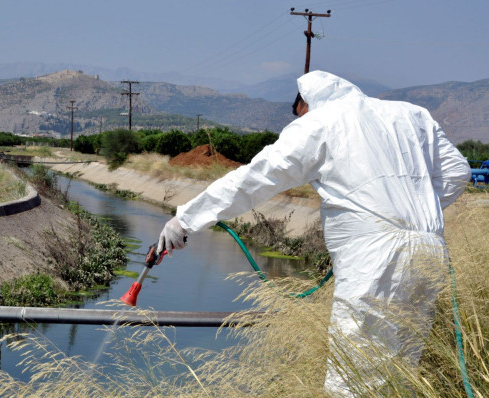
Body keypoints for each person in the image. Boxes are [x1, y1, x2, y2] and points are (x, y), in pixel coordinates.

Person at [156, 70, 471, 396]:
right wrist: (411, 213)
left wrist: (185, 220)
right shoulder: (411, 115)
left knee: (352, 377)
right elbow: (457, 172)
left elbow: (254, 178)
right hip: (429, 250)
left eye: (298, 114)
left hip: (375, 257)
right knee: (402, 373)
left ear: (306, 103)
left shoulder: (321, 122)